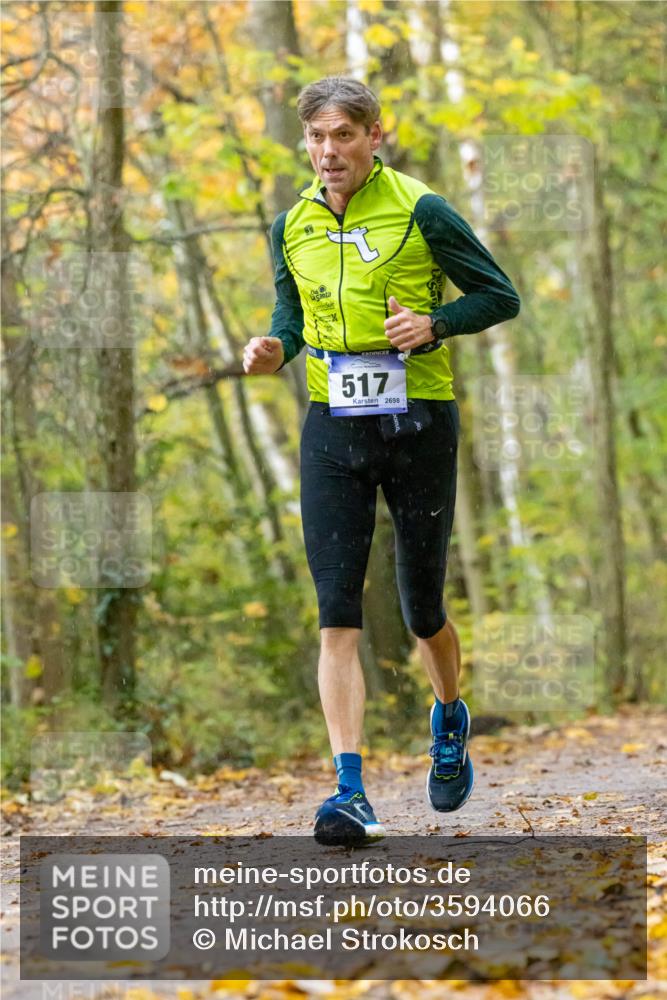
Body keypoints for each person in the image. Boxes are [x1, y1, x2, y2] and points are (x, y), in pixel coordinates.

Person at [243, 77, 520, 846]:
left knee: (420, 609)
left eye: (341, 137)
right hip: (331, 422)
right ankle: (348, 790)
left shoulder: (421, 208)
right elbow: (289, 318)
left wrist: (433, 324)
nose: (326, 153)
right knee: (337, 611)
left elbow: (500, 296)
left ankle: (447, 715)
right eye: (315, 139)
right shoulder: (289, 224)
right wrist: (273, 349)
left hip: (418, 420)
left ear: (374, 137)